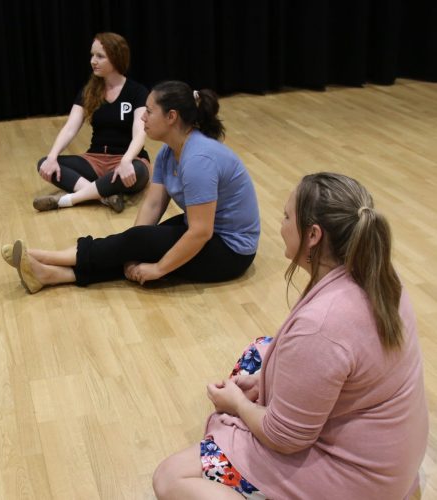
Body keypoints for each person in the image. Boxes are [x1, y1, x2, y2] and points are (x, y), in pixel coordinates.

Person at [152, 173, 428, 499]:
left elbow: (283, 437)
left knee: (171, 478)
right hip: (392, 458)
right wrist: (261, 380)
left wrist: (238, 404)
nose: (280, 224)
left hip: (356, 481)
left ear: (313, 235)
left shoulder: (322, 326)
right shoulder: (378, 273)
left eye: (286, 217)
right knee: (260, 351)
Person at [3, 81, 259, 293]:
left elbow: (201, 232)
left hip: (230, 251)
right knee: (131, 246)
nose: (143, 118)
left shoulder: (198, 160)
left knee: (140, 248)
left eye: (149, 111)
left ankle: (43, 257)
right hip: (205, 231)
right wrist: (134, 251)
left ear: (172, 117)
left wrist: (157, 269)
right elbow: (153, 204)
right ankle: (51, 275)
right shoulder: (169, 154)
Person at [33, 32, 149, 213]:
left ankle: (65, 200)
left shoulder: (137, 92)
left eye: (100, 56)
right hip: (94, 161)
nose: (93, 61)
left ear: (116, 58)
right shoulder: (88, 91)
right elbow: (70, 128)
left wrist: (126, 160)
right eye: (92, 55)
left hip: (128, 159)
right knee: (44, 163)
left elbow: (140, 132)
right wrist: (52, 156)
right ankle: (105, 196)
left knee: (140, 172)